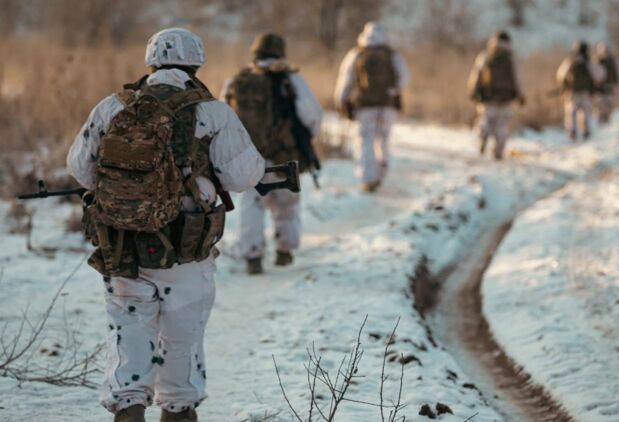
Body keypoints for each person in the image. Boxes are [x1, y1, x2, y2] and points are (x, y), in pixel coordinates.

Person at [66, 28, 265, 422]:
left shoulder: (112, 107)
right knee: (181, 333)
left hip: (121, 243)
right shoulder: (213, 113)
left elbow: (80, 168)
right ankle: (177, 408)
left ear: (151, 61)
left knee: (128, 328)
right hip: (185, 247)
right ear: (196, 64)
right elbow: (244, 176)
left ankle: (128, 405)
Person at [222, 33, 323, 275]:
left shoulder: (238, 80)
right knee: (286, 203)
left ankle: (252, 256)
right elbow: (312, 114)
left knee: (252, 204)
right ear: (280, 52)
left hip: (249, 156)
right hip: (283, 155)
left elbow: (222, 116)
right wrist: (305, 139)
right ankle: (284, 251)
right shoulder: (290, 79)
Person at [334, 21, 410, 192]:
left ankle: (368, 178)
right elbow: (405, 77)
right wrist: (393, 90)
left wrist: (341, 101)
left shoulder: (357, 53)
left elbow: (345, 79)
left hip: (365, 105)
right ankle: (381, 173)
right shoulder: (392, 54)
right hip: (387, 106)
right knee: (383, 139)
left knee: (364, 140)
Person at [467, 30, 525, 159]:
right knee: (502, 126)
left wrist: (473, 90)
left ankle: (482, 141)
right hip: (506, 98)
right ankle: (498, 152)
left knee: (485, 121)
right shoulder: (511, 57)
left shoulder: (486, 55)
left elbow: (477, 74)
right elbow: (517, 78)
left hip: (488, 96)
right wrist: (521, 95)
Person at [556, 41, 604, 141]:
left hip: (572, 92)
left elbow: (560, 75)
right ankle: (585, 131)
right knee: (586, 112)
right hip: (586, 93)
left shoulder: (570, 60)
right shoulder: (589, 62)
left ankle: (572, 132)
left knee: (571, 113)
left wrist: (564, 86)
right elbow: (600, 74)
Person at [592, 42, 619, 124]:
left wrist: (616, 85)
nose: (605, 53)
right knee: (600, 107)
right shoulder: (596, 61)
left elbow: (616, 74)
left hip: (610, 86)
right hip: (600, 88)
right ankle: (601, 122)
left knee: (609, 106)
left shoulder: (613, 61)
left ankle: (607, 121)